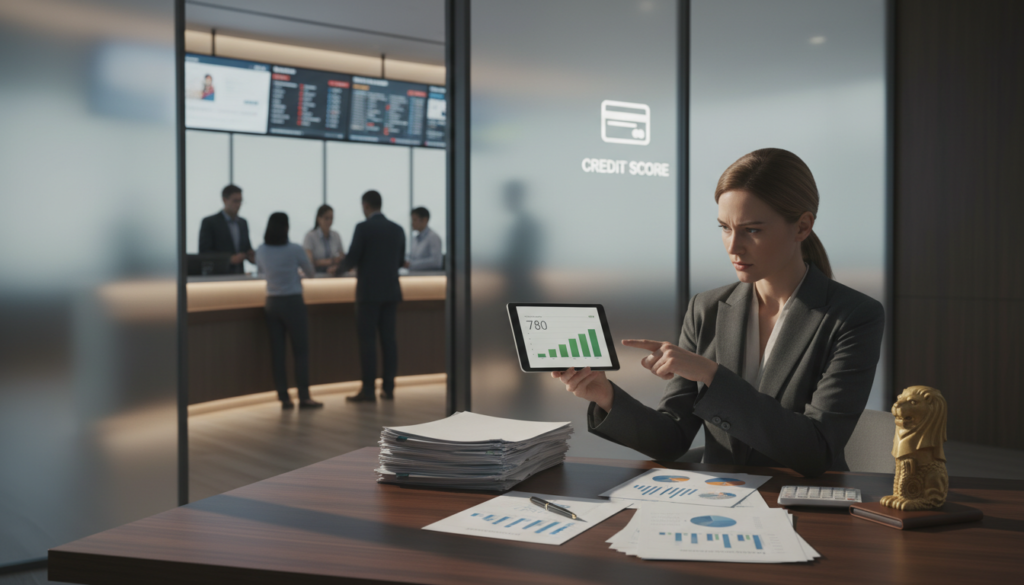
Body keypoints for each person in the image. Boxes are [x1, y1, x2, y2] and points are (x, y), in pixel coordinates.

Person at [553, 148, 884, 478]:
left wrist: (712, 374)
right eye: (725, 228)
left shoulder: (853, 317)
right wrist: (605, 395)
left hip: (806, 507)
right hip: (718, 502)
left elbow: (817, 450)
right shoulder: (707, 309)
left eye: (752, 230)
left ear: (802, 227)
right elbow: (672, 438)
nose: (733, 246)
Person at [334, 190, 406, 402]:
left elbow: (353, 258)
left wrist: (337, 269)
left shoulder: (363, 228)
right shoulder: (397, 229)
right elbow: (400, 261)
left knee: (368, 342)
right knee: (389, 341)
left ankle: (368, 390)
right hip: (391, 291)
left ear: (365, 205)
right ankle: (389, 388)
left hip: (368, 293)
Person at [256, 212, 323, 410]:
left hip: (272, 303)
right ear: (286, 228)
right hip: (293, 302)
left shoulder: (261, 250)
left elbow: (261, 272)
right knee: (300, 351)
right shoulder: (294, 249)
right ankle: (304, 397)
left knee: (278, 353)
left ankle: (284, 398)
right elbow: (310, 273)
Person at [199, 184, 254, 274]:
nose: (238, 205)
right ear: (224, 200)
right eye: (235, 201)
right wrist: (229, 259)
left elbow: (246, 248)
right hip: (219, 276)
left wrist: (250, 255)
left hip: (239, 275)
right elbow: (205, 252)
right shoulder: (210, 222)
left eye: (240, 201)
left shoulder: (243, 223)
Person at [303, 204, 345, 274]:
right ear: (318, 219)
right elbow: (309, 262)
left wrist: (337, 265)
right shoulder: (310, 236)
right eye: (326, 218)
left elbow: (342, 257)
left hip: (333, 274)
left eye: (331, 218)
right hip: (316, 275)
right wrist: (332, 261)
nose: (329, 221)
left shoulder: (336, 235)